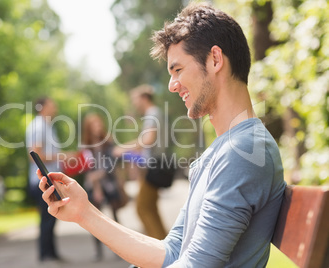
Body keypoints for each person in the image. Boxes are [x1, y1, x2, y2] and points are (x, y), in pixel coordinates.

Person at [37, 3, 286, 267]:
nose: (171, 85)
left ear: (215, 59)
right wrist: (84, 213)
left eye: (177, 70)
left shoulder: (243, 153)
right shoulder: (226, 150)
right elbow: (174, 249)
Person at [81, 113, 127, 260]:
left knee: (115, 216)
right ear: (88, 128)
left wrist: (119, 182)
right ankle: (98, 252)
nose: (97, 127)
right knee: (94, 218)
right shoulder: (85, 147)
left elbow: (113, 165)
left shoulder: (108, 143)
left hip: (109, 183)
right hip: (93, 185)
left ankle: (120, 249)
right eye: (94, 124)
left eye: (99, 123)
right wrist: (96, 188)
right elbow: (88, 170)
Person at [128, 85, 168, 240]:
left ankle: (160, 250)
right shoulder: (155, 113)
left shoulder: (152, 114)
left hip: (154, 168)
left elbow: (148, 140)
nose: (135, 104)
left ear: (144, 98)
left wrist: (123, 149)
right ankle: (165, 244)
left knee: (142, 207)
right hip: (155, 166)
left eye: (135, 100)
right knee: (151, 207)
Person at [26, 97, 62, 262]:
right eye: (51, 103)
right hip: (42, 180)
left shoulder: (47, 126)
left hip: (50, 179)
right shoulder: (38, 126)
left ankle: (51, 253)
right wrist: (62, 156)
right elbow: (35, 155)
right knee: (47, 218)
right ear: (43, 107)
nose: (55, 106)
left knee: (51, 218)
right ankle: (45, 254)